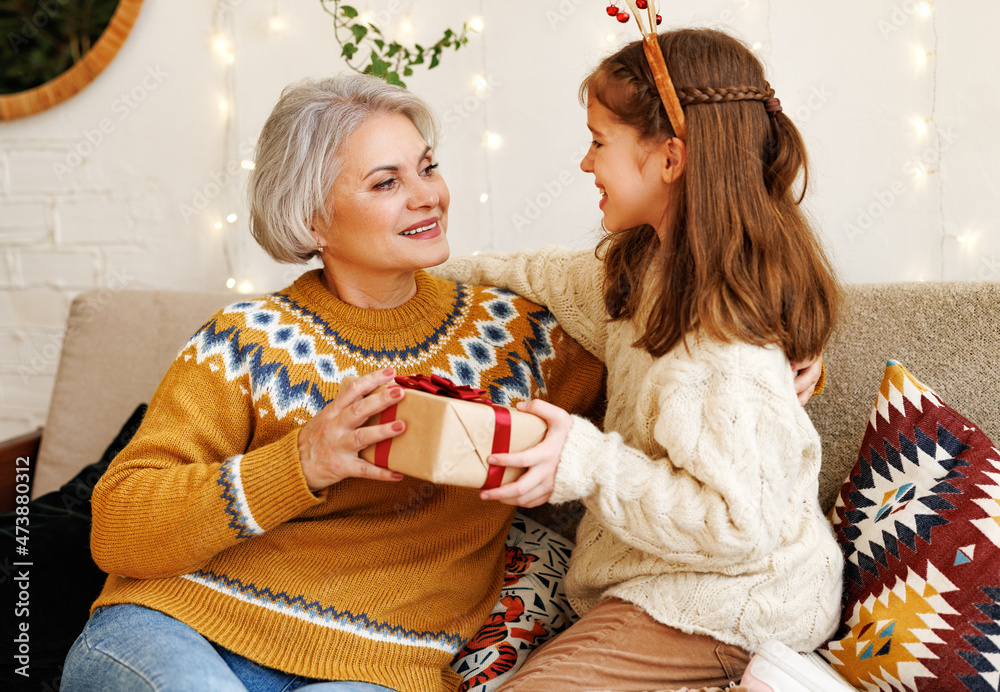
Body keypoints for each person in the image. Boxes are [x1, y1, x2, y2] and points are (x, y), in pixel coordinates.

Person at [60, 74, 608, 692]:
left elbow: (657, 416)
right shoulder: (248, 340)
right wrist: (302, 462)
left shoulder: (520, 339)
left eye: (427, 168)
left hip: (382, 667)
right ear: (314, 218)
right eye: (386, 182)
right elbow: (116, 527)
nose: (426, 195)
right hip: (179, 624)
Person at [433, 27, 844, 691]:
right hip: (678, 588)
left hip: (726, 602)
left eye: (599, 141)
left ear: (671, 160)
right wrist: (412, 273)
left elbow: (740, 526)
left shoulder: (719, 337)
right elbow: (538, 274)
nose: (585, 163)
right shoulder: (647, 270)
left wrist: (587, 463)